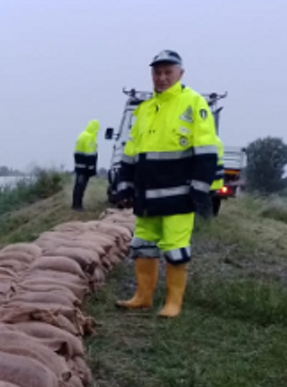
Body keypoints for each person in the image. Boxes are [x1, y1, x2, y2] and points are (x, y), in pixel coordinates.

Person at [113, 50, 222, 318]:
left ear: (180, 74)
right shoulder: (145, 109)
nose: (161, 78)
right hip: (146, 194)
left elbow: (207, 150)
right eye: (157, 72)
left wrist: (199, 189)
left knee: (175, 249)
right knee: (143, 245)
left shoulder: (193, 103)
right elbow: (131, 151)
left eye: (167, 72)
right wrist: (124, 184)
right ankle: (143, 297)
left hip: (179, 195)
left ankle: (173, 303)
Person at [72, 119, 99, 211]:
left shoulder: (83, 135)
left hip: (79, 166)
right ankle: (77, 205)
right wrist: (92, 168)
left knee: (78, 185)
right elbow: (90, 153)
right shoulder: (89, 137)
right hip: (84, 167)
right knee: (81, 186)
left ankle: (75, 204)